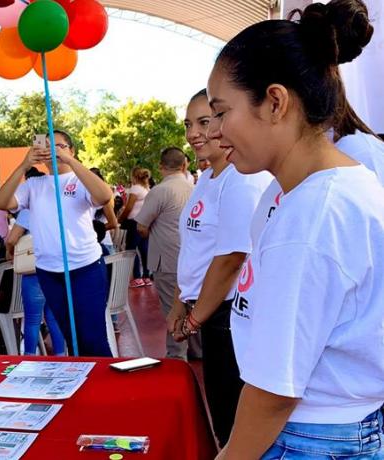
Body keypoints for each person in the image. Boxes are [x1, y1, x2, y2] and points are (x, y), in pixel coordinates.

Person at [208, 2, 384, 458]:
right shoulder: (295, 194)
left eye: (222, 112)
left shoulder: (314, 212)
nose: (216, 133)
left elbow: (274, 391)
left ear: (275, 101)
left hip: (308, 437)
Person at [169, 88, 272, 447]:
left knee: (234, 420)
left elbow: (230, 258)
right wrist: (182, 301)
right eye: (187, 124)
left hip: (229, 316)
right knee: (223, 415)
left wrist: (194, 317)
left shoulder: (240, 179)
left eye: (204, 121)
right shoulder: (208, 179)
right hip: (210, 312)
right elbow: (198, 251)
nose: (193, 133)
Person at [0, 130, 114, 357]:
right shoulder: (34, 185)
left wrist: (70, 161)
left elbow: (104, 196)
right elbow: (2, 202)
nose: (52, 151)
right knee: (72, 338)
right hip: (49, 272)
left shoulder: (79, 181)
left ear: (71, 150)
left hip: (85, 268)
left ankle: (106, 388)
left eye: (59, 146)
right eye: (47, 146)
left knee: (93, 338)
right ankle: (85, 384)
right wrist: (23, 166)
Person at [134, 148, 194, 359]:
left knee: (173, 310)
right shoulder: (194, 188)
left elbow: (141, 226)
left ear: (161, 167)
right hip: (192, 259)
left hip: (167, 260)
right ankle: (196, 351)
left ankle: (177, 357)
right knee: (193, 307)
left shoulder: (160, 191)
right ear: (184, 165)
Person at [5, 208, 67, 357]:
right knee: (54, 318)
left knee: (32, 320)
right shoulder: (57, 208)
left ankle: (30, 358)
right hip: (55, 270)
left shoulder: (29, 211)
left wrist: (9, 251)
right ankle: (61, 356)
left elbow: (12, 239)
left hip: (34, 272)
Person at [117, 167, 151, 286]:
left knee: (131, 249)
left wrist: (120, 218)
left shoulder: (135, 189)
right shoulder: (146, 189)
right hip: (144, 221)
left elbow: (129, 207)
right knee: (144, 249)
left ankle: (137, 276)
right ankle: (146, 275)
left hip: (134, 222)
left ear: (134, 176)